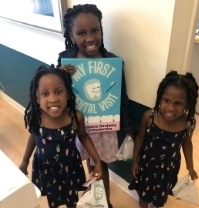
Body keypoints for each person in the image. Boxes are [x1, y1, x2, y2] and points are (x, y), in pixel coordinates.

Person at [57, 4, 137, 207]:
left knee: (101, 166)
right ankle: (95, 200)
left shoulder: (113, 62)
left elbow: (122, 97)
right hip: (80, 127)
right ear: (72, 35)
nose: (90, 38)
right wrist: (61, 75)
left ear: (101, 30)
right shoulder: (66, 59)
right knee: (88, 164)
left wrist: (128, 129)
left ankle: (105, 203)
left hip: (104, 127)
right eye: (81, 33)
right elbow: (59, 93)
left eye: (95, 30)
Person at [19, 65, 102, 208]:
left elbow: (84, 137)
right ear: (37, 98)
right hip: (46, 168)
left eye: (58, 92)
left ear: (68, 94)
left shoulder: (75, 117)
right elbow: (33, 137)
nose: (53, 99)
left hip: (70, 167)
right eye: (45, 94)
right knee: (53, 201)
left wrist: (97, 161)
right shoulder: (36, 117)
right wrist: (25, 161)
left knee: (72, 200)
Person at [129, 71, 199, 208]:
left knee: (160, 197)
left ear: (187, 104)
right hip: (147, 165)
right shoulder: (150, 116)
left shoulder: (189, 122)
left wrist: (190, 167)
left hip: (168, 168)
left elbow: (187, 143)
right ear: (160, 98)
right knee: (144, 195)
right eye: (167, 101)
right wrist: (135, 161)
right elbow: (140, 138)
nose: (171, 108)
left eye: (178, 103)